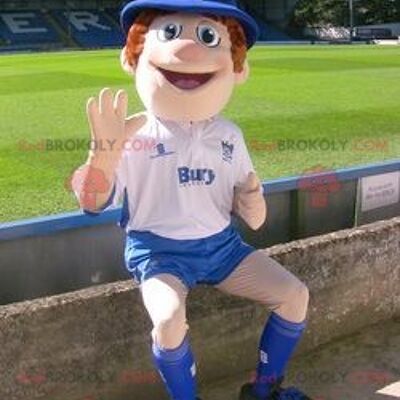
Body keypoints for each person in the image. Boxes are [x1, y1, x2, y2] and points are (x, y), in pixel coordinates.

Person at [72, 1, 311, 399]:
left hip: (222, 248)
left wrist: (252, 202)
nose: (188, 49)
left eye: (207, 36)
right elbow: (92, 202)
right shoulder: (131, 132)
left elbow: (253, 217)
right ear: (134, 56)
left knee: (295, 295)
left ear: (238, 68)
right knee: (167, 320)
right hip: (158, 252)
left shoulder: (229, 134)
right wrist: (103, 155)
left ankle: (265, 389)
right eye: (169, 32)